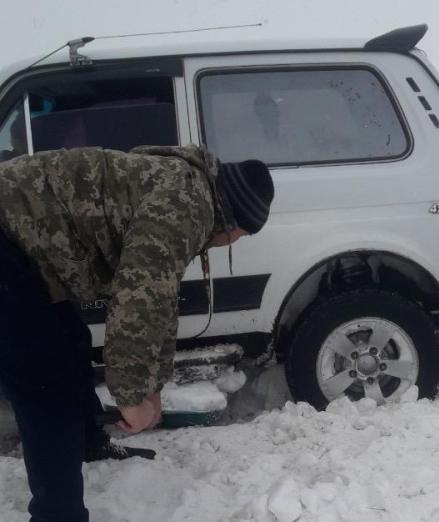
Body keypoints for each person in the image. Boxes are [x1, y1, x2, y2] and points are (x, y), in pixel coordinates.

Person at [0, 145, 273, 521]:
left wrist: (154, 385)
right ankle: (56, 514)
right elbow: (135, 304)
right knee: (46, 386)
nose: (234, 242)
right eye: (241, 234)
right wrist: (130, 396)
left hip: (26, 249)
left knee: (72, 343)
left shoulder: (193, 191)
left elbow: (160, 301)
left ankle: (87, 446)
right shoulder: (183, 208)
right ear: (233, 221)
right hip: (7, 241)